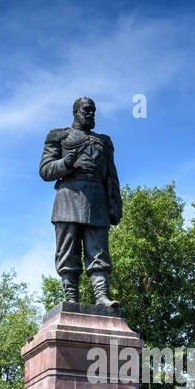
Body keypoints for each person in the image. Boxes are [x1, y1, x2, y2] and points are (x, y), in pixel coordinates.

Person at [39, 96, 123, 306]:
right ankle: (71, 299)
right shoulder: (58, 136)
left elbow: (112, 178)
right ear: (75, 112)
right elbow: (45, 170)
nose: (91, 113)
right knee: (68, 252)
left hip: (97, 202)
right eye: (86, 110)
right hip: (68, 199)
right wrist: (65, 163)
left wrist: (115, 206)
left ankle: (102, 297)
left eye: (93, 110)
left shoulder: (103, 142)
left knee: (99, 252)